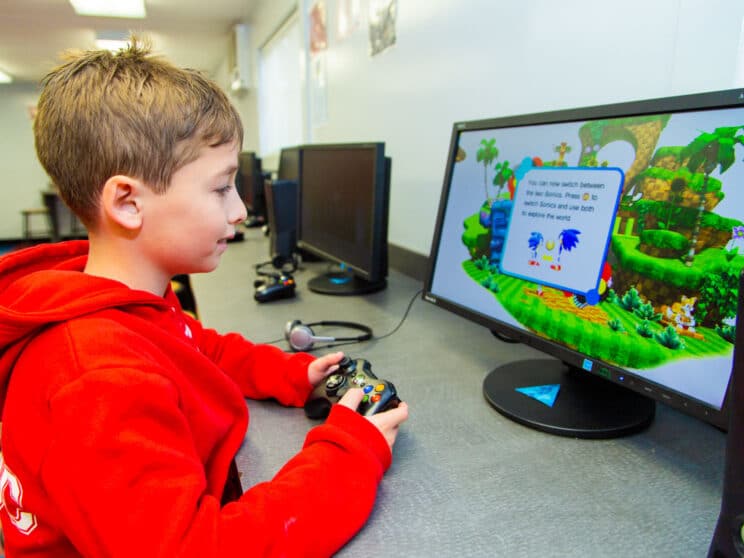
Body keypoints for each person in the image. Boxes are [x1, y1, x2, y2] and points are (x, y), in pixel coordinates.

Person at [0, 37, 409, 557]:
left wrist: (289, 374)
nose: (239, 210)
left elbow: (194, 346)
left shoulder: (124, 298)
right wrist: (350, 454)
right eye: (220, 189)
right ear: (127, 203)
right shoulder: (97, 380)